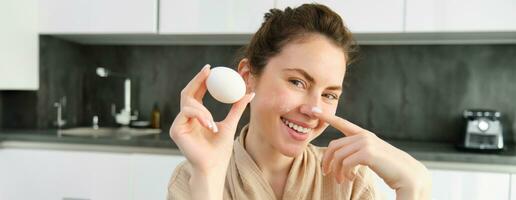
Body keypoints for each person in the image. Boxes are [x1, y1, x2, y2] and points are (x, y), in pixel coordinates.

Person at [167, 3, 431, 200]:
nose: (313, 110)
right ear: (248, 77)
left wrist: (415, 186)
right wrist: (209, 177)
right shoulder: (193, 177)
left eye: (329, 95)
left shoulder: (348, 182)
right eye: (297, 82)